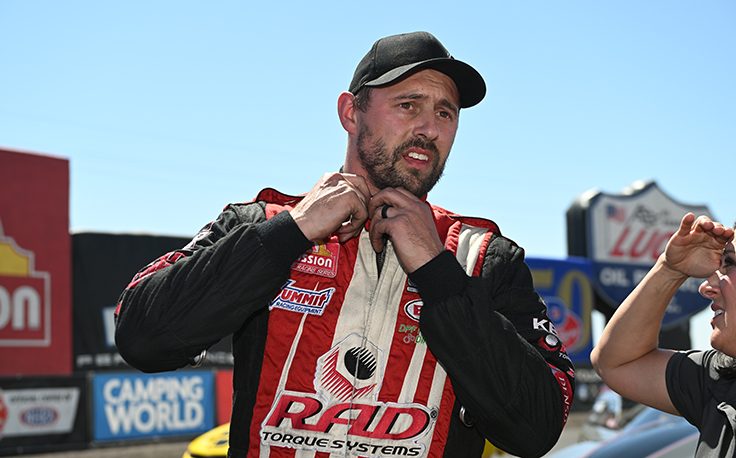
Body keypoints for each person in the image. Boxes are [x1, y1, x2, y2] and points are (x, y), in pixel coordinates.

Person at [115, 31, 574, 458]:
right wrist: (293, 231)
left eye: (445, 113)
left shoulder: (484, 256)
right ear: (351, 113)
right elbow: (142, 339)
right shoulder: (263, 223)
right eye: (408, 105)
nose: (430, 129)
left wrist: (439, 272)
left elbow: (537, 429)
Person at [591, 213, 736, 457]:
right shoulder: (719, 379)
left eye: (730, 263)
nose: (706, 287)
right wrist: (670, 269)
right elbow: (617, 364)